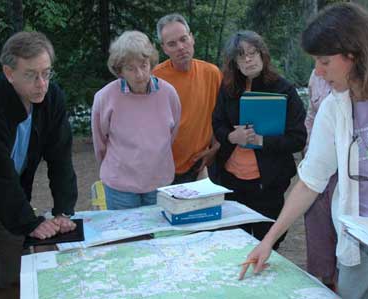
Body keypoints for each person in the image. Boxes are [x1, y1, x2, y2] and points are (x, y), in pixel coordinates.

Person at [240, 3, 368, 299]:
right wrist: (268, 241)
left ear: (355, 54)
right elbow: (310, 181)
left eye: (324, 62)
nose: (318, 73)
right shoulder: (333, 109)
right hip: (358, 251)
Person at [0, 31, 77, 291]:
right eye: (31, 75)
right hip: (0, 187)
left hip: (7, 201)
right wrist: (30, 222)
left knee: (18, 277)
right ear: (9, 73)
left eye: (46, 73)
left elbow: (60, 156)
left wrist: (63, 210)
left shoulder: (52, 99)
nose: (41, 83)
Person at [212, 31, 307, 249]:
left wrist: (263, 140)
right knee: (237, 242)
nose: (248, 59)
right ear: (234, 62)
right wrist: (230, 136)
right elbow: (217, 124)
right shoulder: (228, 89)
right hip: (232, 181)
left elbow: (298, 138)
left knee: (267, 243)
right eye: (241, 55)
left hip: (268, 184)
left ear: (263, 54)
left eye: (253, 53)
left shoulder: (284, 89)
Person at [92, 31, 181, 210]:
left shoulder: (168, 93)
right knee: (125, 237)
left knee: (160, 236)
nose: (139, 74)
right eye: (130, 68)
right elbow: (100, 143)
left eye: (143, 65)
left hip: (159, 183)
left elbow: (172, 134)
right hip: (119, 186)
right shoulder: (105, 97)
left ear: (151, 63)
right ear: (119, 70)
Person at [153, 13, 222, 184]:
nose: (180, 47)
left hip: (199, 165)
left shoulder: (211, 74)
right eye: (172, 44)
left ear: (192, 38)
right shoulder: (154, 79)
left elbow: (221, 115)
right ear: (164, 48)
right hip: (161, 169)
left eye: (184, 39)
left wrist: (216, 146)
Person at [303, 70, 338, 289]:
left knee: (346, 249)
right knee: (319, 241)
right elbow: (311, 116)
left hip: (348, 175)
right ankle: (326, 287)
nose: (319, 66)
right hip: (317, 171)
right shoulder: (315, 76)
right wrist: (308, 152)